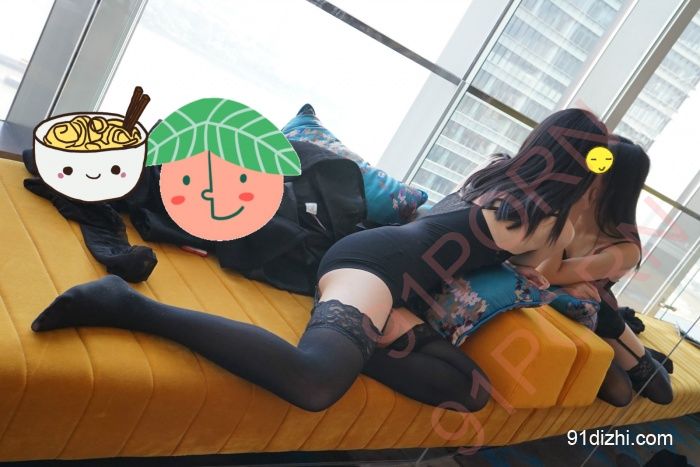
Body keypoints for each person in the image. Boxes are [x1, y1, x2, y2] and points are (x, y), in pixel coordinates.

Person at [31, 108, 607, 413]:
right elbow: (553, 272)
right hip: (373, 266)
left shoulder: (496, 179)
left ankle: (362, 343)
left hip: (390, 276)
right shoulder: (551, 222)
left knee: (471, 390)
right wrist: (566, 275)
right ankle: (126, 306)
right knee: (315, 383)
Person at [536, 136, 673, 406]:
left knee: (657, 391)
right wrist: (565, 212)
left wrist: (565, 215)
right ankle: (638, 348)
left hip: (599, 314)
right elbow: (545, 272)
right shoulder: (563, 206)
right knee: (618, 389)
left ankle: (643, 350)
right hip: (564, 302)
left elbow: (549, 274)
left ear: (614, 179)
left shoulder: (625, 248)